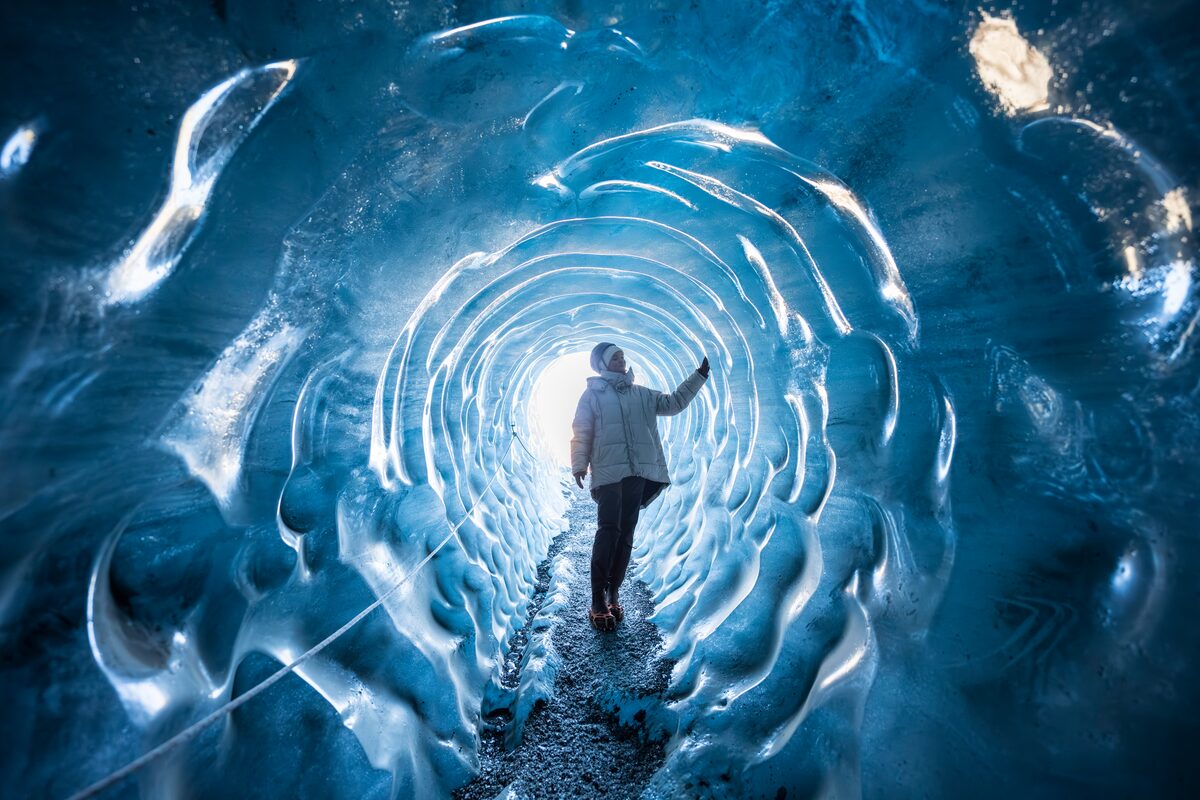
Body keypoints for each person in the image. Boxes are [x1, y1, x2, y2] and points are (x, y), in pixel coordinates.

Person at [569, 341, 710, 631]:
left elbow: (673, 403)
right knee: (609, 532)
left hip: (637, 473)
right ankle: (597, 600)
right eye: (615, 357)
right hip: (609, 473)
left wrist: (699, 375)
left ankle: (613, 593)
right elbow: (581, 430)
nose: (621, 360)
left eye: (622, 356)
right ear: (603, 364)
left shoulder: (641, 394)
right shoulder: (591, 395)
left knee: (626, 534)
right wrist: (579, 464)